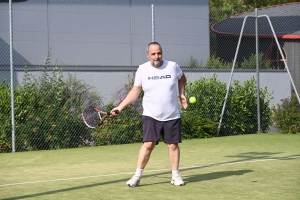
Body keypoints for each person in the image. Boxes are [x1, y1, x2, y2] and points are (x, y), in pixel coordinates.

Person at [111, 41, 188, 187]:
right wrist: (120, 107)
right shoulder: (142, 69)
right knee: (148, 144)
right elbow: (135, 91)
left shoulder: (172, 66)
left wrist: (182, 94)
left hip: (172, 115)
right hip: (150, 115)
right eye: (153, 54)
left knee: (173, 145)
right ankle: (137, 176)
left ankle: (175, 176)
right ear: (148, 55)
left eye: (159, 53)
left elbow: (182, 78)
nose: (157, 56)